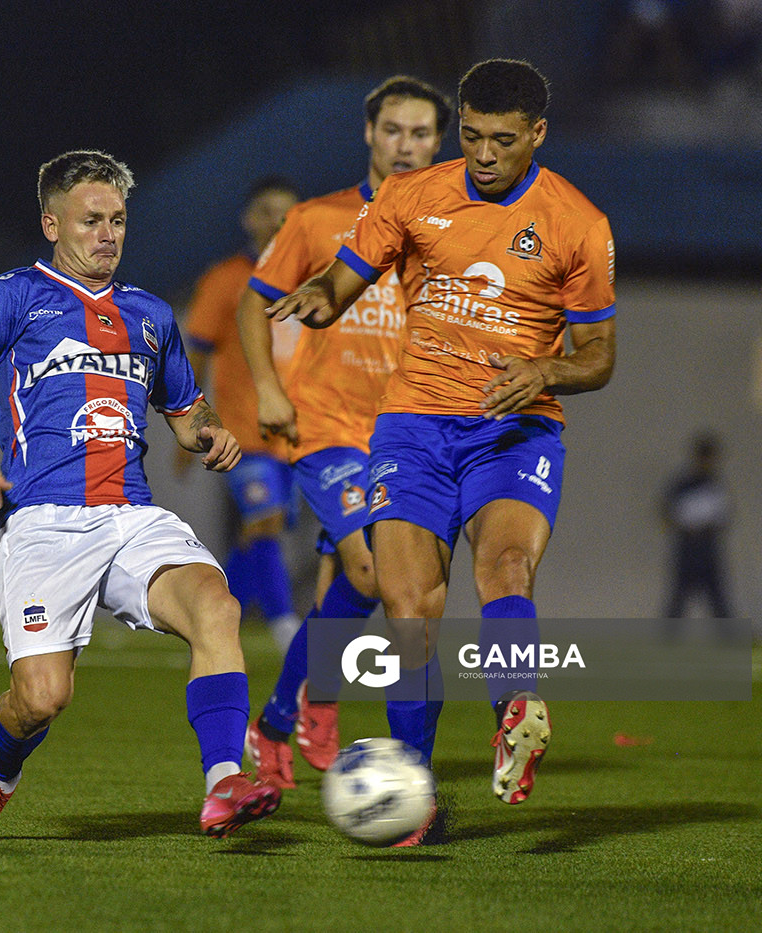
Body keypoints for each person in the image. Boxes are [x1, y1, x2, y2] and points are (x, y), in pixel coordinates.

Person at [267, 59, 617, 842]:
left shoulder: (577, 223)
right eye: (471, 135)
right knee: (408, 612)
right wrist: (318, 300)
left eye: (502, 139)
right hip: (414, 427)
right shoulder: (413, 196)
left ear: (538, 135)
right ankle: (416, 796)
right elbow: (343, 279)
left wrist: (547, 368)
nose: (484, 154)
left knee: (505, 567)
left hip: (513, 426)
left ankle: (515, 705)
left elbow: (598, 354)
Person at [0, 150, 281, 842]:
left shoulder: (148, 314)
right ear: (51, 222)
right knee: (42, 699)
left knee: (216, 603)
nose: (108, 234)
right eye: (91, 220)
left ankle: (224, 779)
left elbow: (186, 408)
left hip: (131, 513)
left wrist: (211, 433)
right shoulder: (14, 294)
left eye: (117, 220)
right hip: (42, 522)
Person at [236, 76, 451, 790]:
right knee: (368, 573)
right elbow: (253, 301)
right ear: (369, 133)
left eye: (421, 134)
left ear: (439, 142)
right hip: (327, 426)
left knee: (361, 590)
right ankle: (315, 716)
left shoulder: (453, 229)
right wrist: (268, 385)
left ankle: (285, 714)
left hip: (410, 435)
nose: (406, 146)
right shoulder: (318, 218)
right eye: (393, 130)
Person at [179, 176, 301, 652]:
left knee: (260, 530)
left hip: (302, 433)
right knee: (266, 518)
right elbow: (198, 356)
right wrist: (190, 425)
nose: (278, 221)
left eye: (288, 212)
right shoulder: (226, 279)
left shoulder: (316, 276)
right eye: (268, 210)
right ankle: (283, 622)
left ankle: (215, 609)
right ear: (249, 219)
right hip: (243, 430)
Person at [662, 431, 732, 622]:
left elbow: (724, 518)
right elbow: (667, 514)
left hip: (708, 549)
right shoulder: (683, 485)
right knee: (678, 601)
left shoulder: (714, 484)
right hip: (688, 549)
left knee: (718, 600)